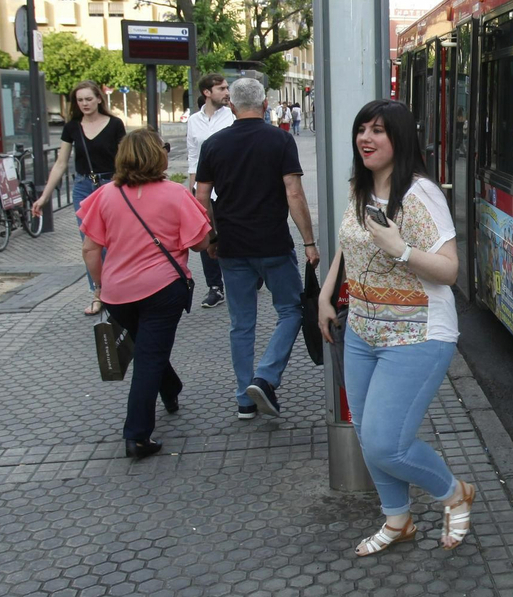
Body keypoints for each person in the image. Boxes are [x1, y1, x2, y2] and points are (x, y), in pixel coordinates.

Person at [317, 100, 477, 556]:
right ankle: (398, 519)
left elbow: (449, 271)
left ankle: (454, 493)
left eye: (378, 131)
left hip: (418, 333)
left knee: (389, 444)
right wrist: (326, 294)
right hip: (364, 330)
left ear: (400, 139)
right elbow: (347, 246)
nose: (365, 138)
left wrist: (400, 248)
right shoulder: (360, 186)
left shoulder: (420, 194)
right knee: (367, 432)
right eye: (361, 129)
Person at [78, 129, 213, 459]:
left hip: (116, 295)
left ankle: (171, 388)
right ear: (159, 156)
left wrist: (99, 287)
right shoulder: (176, 194)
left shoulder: (105, 195)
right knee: (150, 356)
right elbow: (199, 243)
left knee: (148, 348)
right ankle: (137, 436)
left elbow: (90, 250)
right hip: (163, 289)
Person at [195, 76, 320, 420]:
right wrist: (309, 241)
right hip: (273, 243)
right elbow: (293, 193)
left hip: (232, 247)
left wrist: (211, 237)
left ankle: (243, 400)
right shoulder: (279, 140)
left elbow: (202, 196)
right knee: (292, 310)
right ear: (265, 105)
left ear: (232, 106)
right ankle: (265, 377)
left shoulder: (214, 144)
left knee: (241, 323)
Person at [31, 80, 126, 315]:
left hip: (111, 185)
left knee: (115, 240)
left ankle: (119, 290)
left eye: (88, 99)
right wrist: (44, 197)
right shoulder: (72, 127)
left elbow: (126, 158)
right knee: (90, 244)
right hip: (84, 187)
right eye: (80, 100)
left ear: (99, 99)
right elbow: (61, 163)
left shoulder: (115, 124)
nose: (84, 103)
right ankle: (98, 292)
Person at [185, 73, 234, 309]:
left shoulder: (232, 115)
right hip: (204, 186)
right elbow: (193, 156)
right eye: (222, 88)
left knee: (232, 231)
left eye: (227, 88)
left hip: (229, 185)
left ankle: (249, 272)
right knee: (205, 232)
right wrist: (192, 188)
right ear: (207, 92)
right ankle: (215, 287)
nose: (227, 92)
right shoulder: (194, 120)